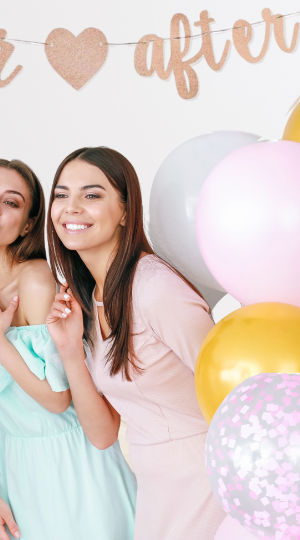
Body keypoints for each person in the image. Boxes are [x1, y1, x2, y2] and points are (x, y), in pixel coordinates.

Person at [0, 159, 136, 540]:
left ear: (28, 224)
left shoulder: (34, 280)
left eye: (11, 202)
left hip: (75, 461)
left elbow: (57, 399)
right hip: (12, 460)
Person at [45, 147, 225, 539]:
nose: (71, 207)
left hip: (207, 477)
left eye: (92, 195)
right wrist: (70, 349)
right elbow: (102, 435)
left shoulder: (155, 289)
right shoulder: (92, 298)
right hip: (155, 483)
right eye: (61, 194)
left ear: (126, 212)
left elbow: (231, 391)